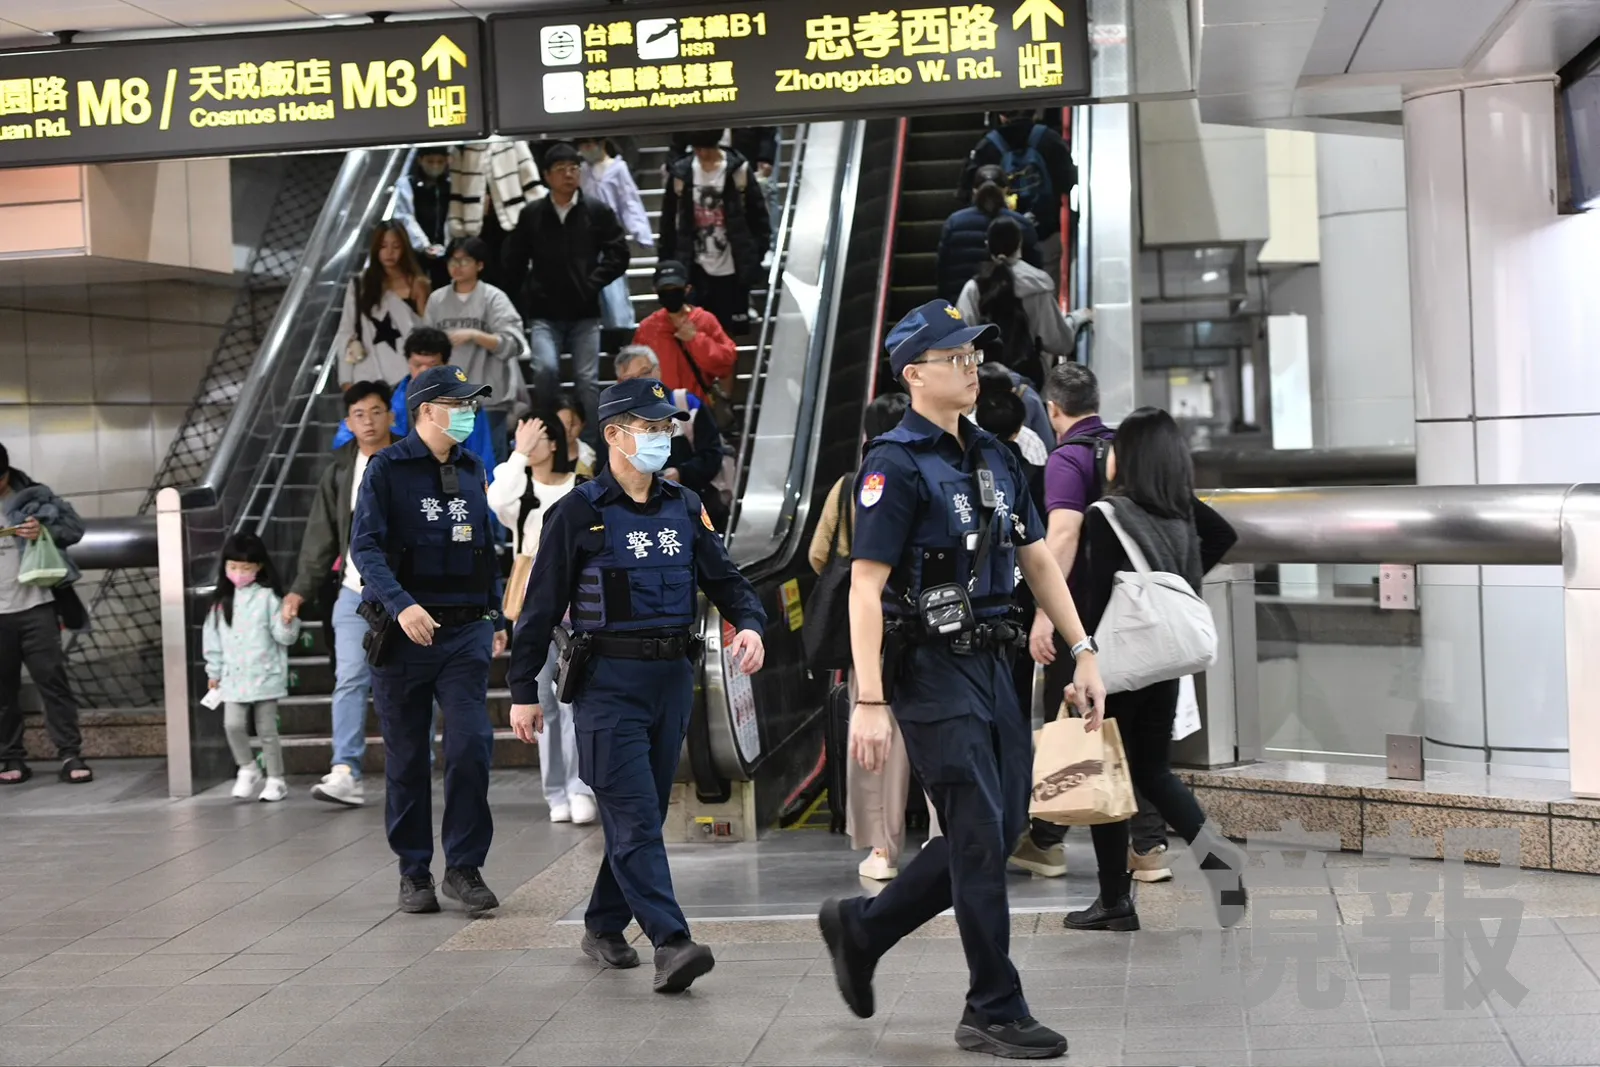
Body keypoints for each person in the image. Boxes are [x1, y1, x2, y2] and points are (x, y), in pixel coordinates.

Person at [818, 299, 1106, 1061]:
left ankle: (863, 926)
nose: (971, 367)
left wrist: (1083, 647)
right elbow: (865, 587)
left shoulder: (998, 453)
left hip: (1000, 661)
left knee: (1003, 825)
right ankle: (994, 1005)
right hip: (929, 669)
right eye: (954, 357)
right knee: (977, 828)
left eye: (974, 355)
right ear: (914, 373)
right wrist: (871, 701)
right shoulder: (893, 463)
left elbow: (1037, 555)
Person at [507, 377, 767, 993]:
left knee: (638, 814)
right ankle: (672, 941)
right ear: (616, 434)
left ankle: (601, 924)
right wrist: (522, 689)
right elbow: (539, 610)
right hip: (607, 686)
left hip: (671, 682)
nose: (661, 438)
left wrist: (751, 623)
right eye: (650, 428)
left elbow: (725, 579)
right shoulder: (576, 513)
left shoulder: (683, 505)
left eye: (665, 428)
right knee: (634, 814)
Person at [1061, 407, 1244, 933]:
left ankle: (1114, 900)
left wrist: (1082, 662)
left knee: (1104, 772)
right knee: (1152, 771)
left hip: (1116, 663)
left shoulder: (1107, 514)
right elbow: (1223, 535)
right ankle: (1217, 860)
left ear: (1130, 456)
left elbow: (1095, 598)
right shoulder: (1180, 509)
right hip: (1163, 659)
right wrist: (1178, 583)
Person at [348, 364, 510, 918]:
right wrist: (402, 604)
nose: (469, 413)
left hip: (465, 630)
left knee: (470, 745)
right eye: (459, 404)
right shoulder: (387, 469)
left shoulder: (472, 467)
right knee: (409, 757)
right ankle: (413, 870)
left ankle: (464, 869)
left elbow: (486, 547)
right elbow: (365, 549)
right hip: (403, 634)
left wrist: (496, 616)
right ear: (426, 412)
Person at [1018, 363, 1172, 882]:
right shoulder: (1126, 450)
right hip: (1135, 616)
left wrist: (1045, 612)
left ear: (1053, 410)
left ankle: (1047, 840)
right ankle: (1147, 849)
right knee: (1131, 733)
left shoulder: (1068, 458)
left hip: (1083, 619)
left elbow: (1061, 537)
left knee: (1071, 719)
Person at [806, 392, 939, 883]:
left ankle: (883, 851)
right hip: (926, 625)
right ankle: (943, 835)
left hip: (873, 632)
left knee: (875, 742)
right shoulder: (930, 473)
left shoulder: (851, 485)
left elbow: (819, 555)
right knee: (940, 733)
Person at [283, 382, 398, 807]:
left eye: (375, 412)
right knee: (350, 677)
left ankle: (411, 767)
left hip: (407, 596)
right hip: (355, 592)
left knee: (409, 683)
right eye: (359, 414)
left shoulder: (410, 460)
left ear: (390, 415)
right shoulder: (339, 468)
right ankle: (344, 769)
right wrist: (299, 590)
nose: (368, 422)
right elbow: (320, 537)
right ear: (348, 422)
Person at [487, 414, 596, 826]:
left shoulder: (579, 486)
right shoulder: (517, 485)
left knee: (573, 698)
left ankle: (579, 786)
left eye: (536, 437)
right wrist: (517, 454)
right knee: (542, 701)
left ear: (554, 443)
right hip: (533, 605)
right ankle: (555, 790)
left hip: (581, 603)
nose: (528, 443)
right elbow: (495, 502)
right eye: (521, 437)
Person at [502, 142, 630, 446]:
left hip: (585, 311)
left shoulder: (596, 211)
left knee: (587, 382)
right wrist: (523, 298)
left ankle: (589, 445)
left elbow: (619, 253)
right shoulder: (533, 214)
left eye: (574, 168)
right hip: (544, 312)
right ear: (546, 176)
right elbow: (514, 261)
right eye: (561, 170)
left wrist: (593, 281)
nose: (569, 175)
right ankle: (551, 434)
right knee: (545, 370)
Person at [0, 445, 90, 786]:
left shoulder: (33, 496)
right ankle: (10, 756)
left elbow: (75, 528)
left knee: (52, 681)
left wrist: (44, 531)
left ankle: (70, 753)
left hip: (37, 606)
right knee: (2, 690)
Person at [203, 531, 300, 803]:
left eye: (245, 568)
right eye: (233, 567)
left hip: (265, 675)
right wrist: (214, 672)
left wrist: (287, 620)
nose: (239, 573)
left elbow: (284, 637)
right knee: (232, 724)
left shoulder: (268, 598)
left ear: (258, 567)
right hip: (233, 678)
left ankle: (276, 779)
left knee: (267, 730)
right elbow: (213, 641)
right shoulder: (220, 603)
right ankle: (247, 767)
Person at [332, 329, 497, 482]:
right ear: (408, 361)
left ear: (446, 364)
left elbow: (483, 463)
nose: (424, 373)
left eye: (432, 366)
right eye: (417, 365)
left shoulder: (466, 407)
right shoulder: (386, 400)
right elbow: (344, 440)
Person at [659, 130, 771, 339]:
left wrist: (754, 256)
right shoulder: (682, 173)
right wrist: (666, 261)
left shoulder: (738, 171)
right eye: (697, 149)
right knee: (695, 334)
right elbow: (668, 224)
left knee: (727, 338)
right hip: (695, 266)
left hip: (732, 267)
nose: (702, 154)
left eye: (706, 149)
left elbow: (759, 220)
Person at [426, 237, 527, 463]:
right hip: (447, 400)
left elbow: (515, 343)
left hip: (488, 398)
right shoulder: (436, 300)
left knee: (490, 464)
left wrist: (475, 335)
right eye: (452, 261)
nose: (457, 266)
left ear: (480, 265)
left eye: (464, 261)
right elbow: (424, 345)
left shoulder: (494, 298)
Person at [958, 216, 1092, 386]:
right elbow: (1060, 342)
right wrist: (1075, 319)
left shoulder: (973, 288)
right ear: (1019, 245)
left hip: (985, 386)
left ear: (987, 245)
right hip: (1029, 384)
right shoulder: (1038, 285)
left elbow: (962, 343)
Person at [612, 345, 730, 531]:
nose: (640, 383)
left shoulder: (686, 404)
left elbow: (712, 455)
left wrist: (681, 474)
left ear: (657, 371)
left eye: (644, 373)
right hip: (637, 516)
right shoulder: (615, 421)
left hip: (691, 510)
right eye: (630, 379)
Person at [959, 110, 1076, 290]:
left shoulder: (987, 146)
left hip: (999, 239)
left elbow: (967, 192)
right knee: (1043, 291)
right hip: (1045, 234)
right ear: (1036, 112)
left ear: (1001, 116)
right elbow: (1067, 182)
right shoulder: (1049, 139)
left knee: (1000, 292)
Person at [336, 222, 432, 387]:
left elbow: (428, 332)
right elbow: (346, 330)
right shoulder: (361, 284)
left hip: (409, 377)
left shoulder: (418, 283)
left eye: (396, 246)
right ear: (375, 248)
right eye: (383, 246)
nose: (389, 253)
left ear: (404, 248)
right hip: (368, 374)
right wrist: (346, 380)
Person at [631, 261, 739, 402]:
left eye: (675, 288)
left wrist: (695, 339)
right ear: (655, 290)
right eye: (665, 289)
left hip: (698, 409)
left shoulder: (705, 320)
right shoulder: (648, 328)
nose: (670, 293)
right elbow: (632, 374)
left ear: (687, 289)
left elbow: (725, 363)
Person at [577, 135, 654, 331]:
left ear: (601, 144)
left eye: (588, 145)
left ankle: (622, 329)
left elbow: (629, 201)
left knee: (615, 289)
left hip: (610, 237)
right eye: (582, 146)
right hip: (585, 240)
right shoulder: (582, 171)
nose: (585, 149)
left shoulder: (618, 168)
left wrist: (639, 232)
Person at [937, 165, 1041, 305]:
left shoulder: (953, 224)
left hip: (962, 307)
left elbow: (942, 273)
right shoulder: (1021, 225)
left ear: (974, 191)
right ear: (1005, 190)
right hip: (1009, 311)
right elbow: (1034, 273)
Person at [393, 146, 453, 290]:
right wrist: (423, 245)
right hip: (416, 253)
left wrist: (448, 245)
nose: (435, 166)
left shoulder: (451, 185)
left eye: (440, 162)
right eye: (430, 161)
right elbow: (405, 217)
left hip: (446, 253)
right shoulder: (407, 184)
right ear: (420, 160)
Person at [555, 394, 596, 478]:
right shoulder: (541, 453)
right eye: (562, 424)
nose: (568, 430)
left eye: (572, 425)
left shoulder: (591, 456)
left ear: (583, 424)